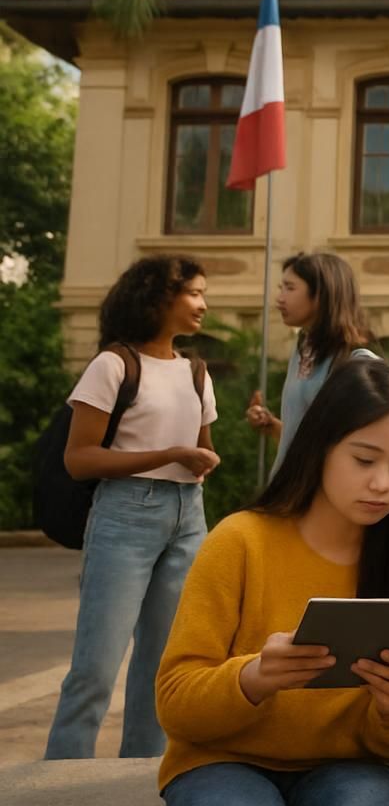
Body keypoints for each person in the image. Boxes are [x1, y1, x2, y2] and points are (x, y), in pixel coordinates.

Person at [155, 357, 389, 806]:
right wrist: (254, 677)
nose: (383, 483)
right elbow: (175, 704)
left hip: (351, 765)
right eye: (364, 459)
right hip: (221, 759)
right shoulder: (240, 541)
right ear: (319, 446)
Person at [44, 255, 219, 760]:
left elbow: (200, 447)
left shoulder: (197, 371)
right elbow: (79, 459)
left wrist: (201, 460)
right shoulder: (113, 364)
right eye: (194, 294)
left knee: (162, 668)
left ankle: (141, 776)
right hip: (124, 515)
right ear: (158, 297)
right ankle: (61, 784)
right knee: (95, 669)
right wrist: (169, 455)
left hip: (188, 516)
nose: (203, 304)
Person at [245, 251, 375, 473]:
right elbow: (307, 436)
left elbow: (361, 442)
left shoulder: (356, 360)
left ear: (321, 295)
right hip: (289, 487)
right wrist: (274, 427)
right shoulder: (304, 347)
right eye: (281, 288)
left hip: (324, 494)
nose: (280, 298)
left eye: (290, 288)